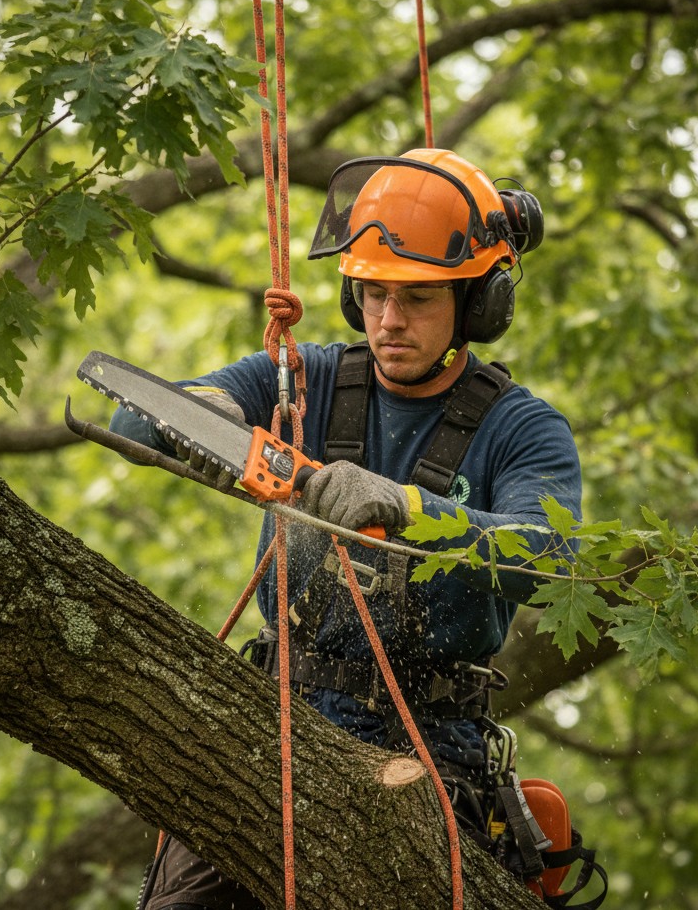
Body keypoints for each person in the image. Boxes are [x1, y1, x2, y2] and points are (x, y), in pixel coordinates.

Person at [115, 148, 583, 910]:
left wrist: (413, 509)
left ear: (476, 303)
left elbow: (550, 554)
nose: (390, 320)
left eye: (418, 299)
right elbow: (132, 413)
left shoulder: (521, 428)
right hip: (276, 720)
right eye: (372, 295)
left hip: (430, 748)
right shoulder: (307, 377)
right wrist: (212, 413)